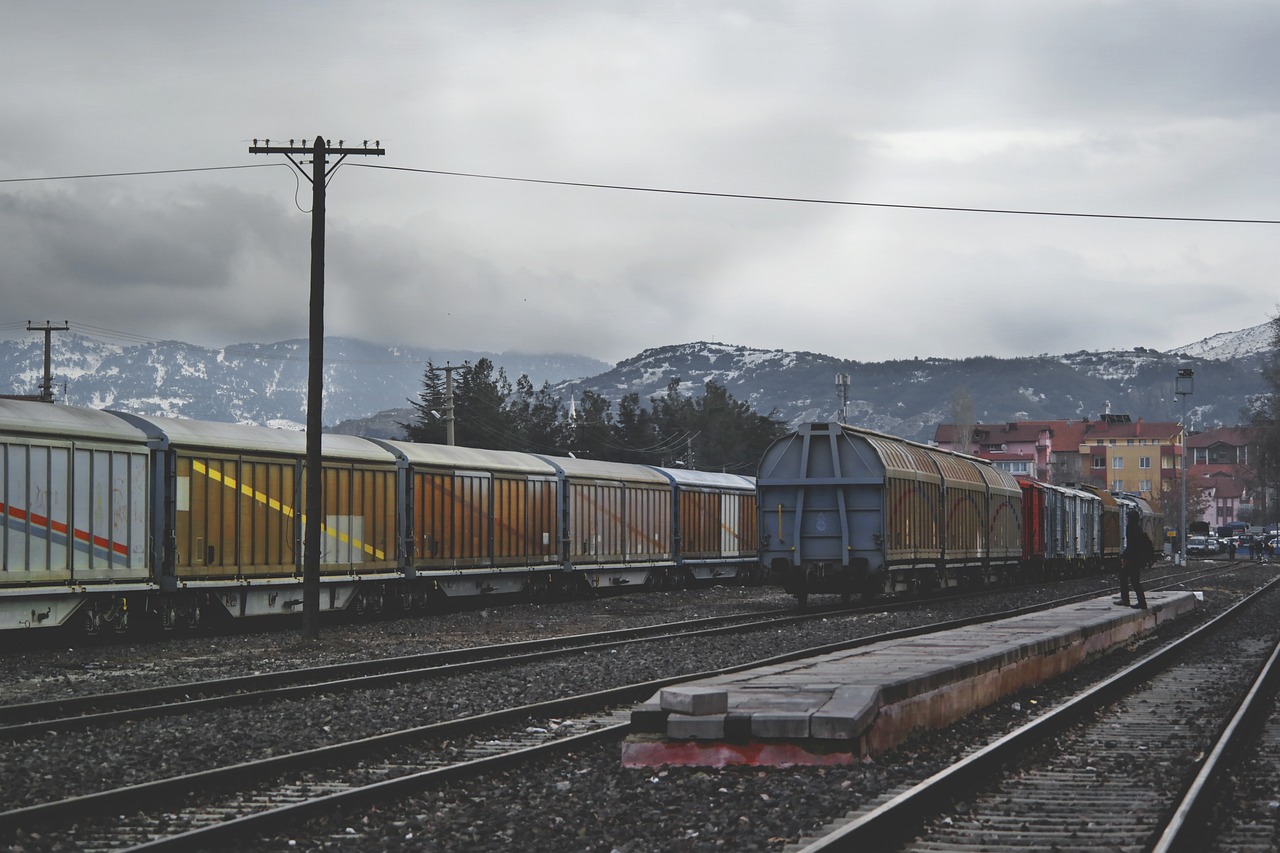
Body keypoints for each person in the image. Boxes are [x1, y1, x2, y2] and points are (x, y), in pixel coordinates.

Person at [1118, 510, 1152, 609]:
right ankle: (1140, 602)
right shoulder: (1136, 528)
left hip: (1135, 558)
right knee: (1134, 580)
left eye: (1127, 518)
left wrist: (1124, 555)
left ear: (1131, 519)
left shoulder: (1132, 529)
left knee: (1126, 576)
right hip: (1136, 558)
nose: (1126, 519)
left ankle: (1127, 600)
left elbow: (1133, 545)